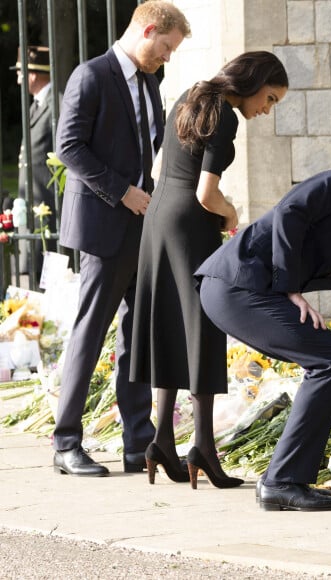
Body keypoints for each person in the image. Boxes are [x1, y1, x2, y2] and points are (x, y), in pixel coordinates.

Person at [130, 52, 288, 489]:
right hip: (188, 222)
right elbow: (207, 192)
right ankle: (203, 446)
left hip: (159, 215)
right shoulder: (226, 115)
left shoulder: (190, 95)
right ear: (254, 82)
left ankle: (162, 440)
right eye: (270, 98)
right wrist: (232, 213)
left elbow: (167, 165)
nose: (267, 109)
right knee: (202, 327)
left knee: (169, 324)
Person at [53, 1, 190, 477]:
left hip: (140, 225)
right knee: (90, 333)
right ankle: (65, 443)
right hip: (102, 224)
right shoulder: (91, 76)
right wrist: (122, 191)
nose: (168, 58)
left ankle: (138, 441)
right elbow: (68, 146)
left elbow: (147, 150)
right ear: (148, 30)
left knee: (137, 335)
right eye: (167, 47)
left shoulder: (151, 83)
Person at [196, 168, 331, 510]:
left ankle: (281, 477)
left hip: (249, 291)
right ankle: (282, 480)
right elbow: (290, 211)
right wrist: (291, 287)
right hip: (236, 285)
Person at [11, 46, 56, 278]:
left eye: (20, 73)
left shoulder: (55, 105)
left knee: (48, 276)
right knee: (36, 274)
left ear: (32, 75)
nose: (18, 80)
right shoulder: (37, 105)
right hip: (34, 205)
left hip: (48, 207)